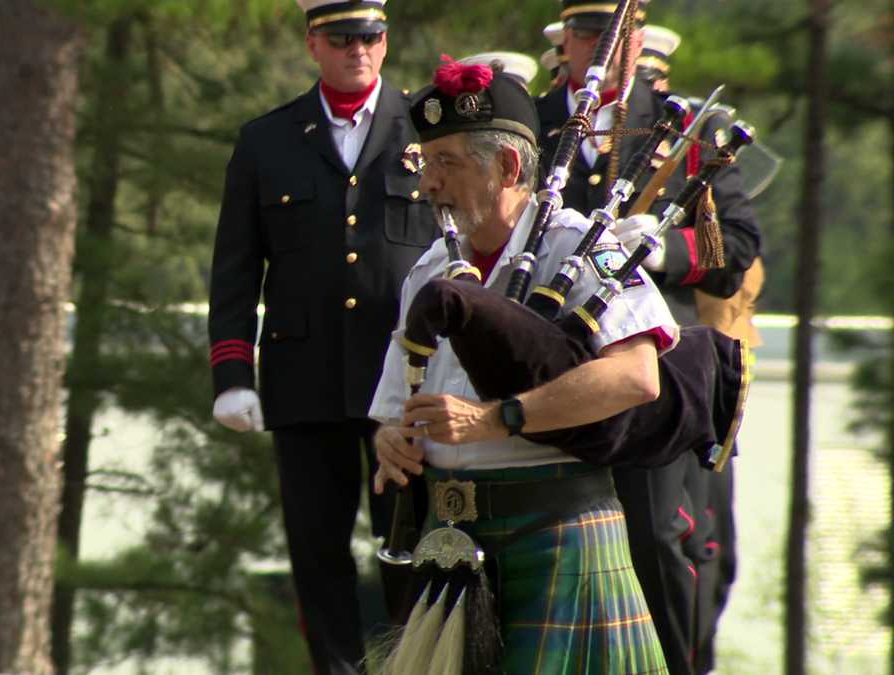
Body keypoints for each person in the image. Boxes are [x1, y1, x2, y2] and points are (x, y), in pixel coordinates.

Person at [369, 63, 677, 673]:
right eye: (425, 165)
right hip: (448, 545)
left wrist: (500, 418)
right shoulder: (428, 270)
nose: (429, 184)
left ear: (509, 168)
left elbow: (636, 376)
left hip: (557, 530)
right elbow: (389, 410)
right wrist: (388, 441)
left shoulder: (581, 246)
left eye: (448, 164)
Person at [207, 1, 437, 672]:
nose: (357, 50)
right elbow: (234, 272)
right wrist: (231, 376)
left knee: (408, 545)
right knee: (317, 552)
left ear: (386, 41)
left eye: (369, 37)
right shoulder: (266, 141)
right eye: (341, 38)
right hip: (304, 380)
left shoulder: (426, 130)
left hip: (405, 382)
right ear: (314, 43)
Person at [534, 3, 763, 673]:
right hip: (551, 360)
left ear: (637, 40)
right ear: (565, 43)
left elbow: (740, 245)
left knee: (660, 540)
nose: (604, 46)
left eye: (617, 32)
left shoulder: (688, 128)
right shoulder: (536, 121)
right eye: (588, 32)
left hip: (651, 367)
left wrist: (662, 249)